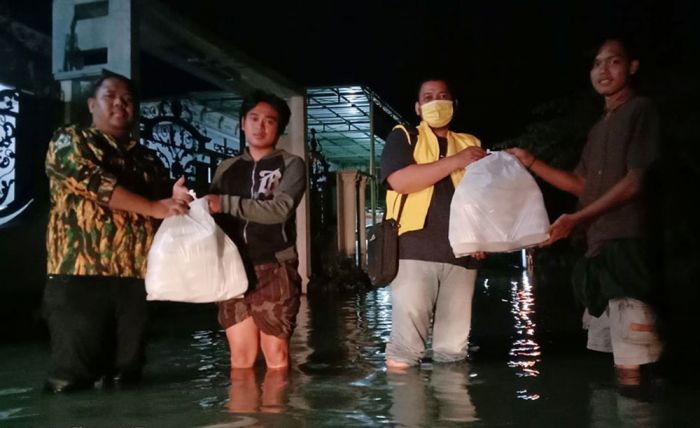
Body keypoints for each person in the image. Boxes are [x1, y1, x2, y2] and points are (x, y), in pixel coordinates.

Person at [507, 37, 662, 385]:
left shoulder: (642, 111)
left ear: (632, 66)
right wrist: (530, 161)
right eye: (596, 64)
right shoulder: (598, 128)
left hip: (629, 247)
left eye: (613, 62)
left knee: (633, 360)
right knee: (615, 360)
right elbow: (582, 185)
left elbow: (636, 181)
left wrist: (577, 219)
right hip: (598, 250)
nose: (603, 70)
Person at [43, 70, 191, 393]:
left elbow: (163, 205)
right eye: (110, 97)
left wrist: (176, 199)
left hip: (136, 279)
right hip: (80, 275)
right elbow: (96, 185)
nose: (120, 104)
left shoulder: (148, 159)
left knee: (128, 375)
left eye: (127, 100)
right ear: (92, 104)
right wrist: (155, 207)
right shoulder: (71, 140)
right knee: (71, 378)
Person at [380, 78, 487, 370]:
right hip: (414, 249)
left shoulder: (471, 143)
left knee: (454, 348)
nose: (436, 101)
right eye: (428, 97)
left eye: (442, 95)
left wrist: (482, 238)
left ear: (454, 104)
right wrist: (457, 161)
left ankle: (453, 413)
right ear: (418, 106)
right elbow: (400, 181)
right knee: (405, 346)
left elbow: (484, 198)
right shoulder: (404, 136)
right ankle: (409, 416)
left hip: (463, 254)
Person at [206, 90, 306, 370]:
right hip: (232, 270)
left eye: (269, 121)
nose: (260, 126)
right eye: (254, 118)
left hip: (275, 268)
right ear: (242, 123)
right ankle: (244, 416)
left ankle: (277, 414)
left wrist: (224, 203)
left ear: (280, 128)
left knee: (277, 355)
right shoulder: (227, 168)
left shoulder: (291, 164)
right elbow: (209, 212)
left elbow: (280, 209)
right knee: (240, 358)